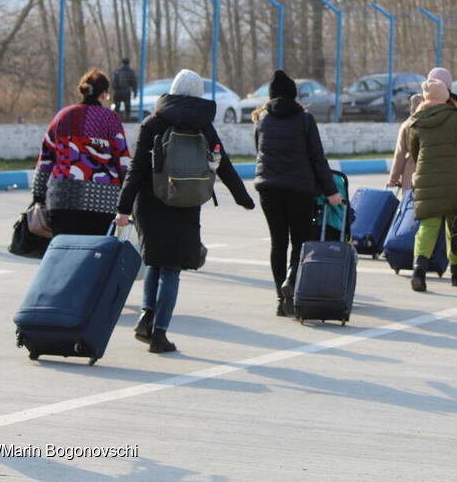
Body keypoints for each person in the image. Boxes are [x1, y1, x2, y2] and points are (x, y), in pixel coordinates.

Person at [116, 69, 254, 353]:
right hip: (186, 202)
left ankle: (146, 317)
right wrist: (243, 197)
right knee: (171, 268)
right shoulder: (204, 125)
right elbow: (222, 163)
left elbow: (136, 168)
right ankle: (160, 333)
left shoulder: (152, 123)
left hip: (151, 201)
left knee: (154, 260)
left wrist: (123, 208)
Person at [253, 69, 341, 316]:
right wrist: (332, 191)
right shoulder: (304, 119)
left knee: (277, 242)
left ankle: (282, 300)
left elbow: (258, 150)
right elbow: (317, 158)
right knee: (300, 241)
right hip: (300, 190)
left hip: (268, 189)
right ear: (294, 95)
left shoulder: (263, 119)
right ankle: (291, 280)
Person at [32, 69, 131, 236]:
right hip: (103, 201)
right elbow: (123, 161)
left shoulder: (62, 116)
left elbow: (45, 161)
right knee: (93, 256)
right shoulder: (110, 119)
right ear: (104, 94)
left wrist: (38, 197)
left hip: (62, 199)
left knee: (64, 254)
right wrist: (127, 199)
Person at [408, 75, 457, 291]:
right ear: (446, 96)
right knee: (455, 225)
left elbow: (414, 153)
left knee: (428, 226)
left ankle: (418, 272)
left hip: (427, 179)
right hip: (456, 181)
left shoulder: (417, 120)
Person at [387, 93, 423, 191]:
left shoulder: (406, 125)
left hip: (411, 168)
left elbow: (400, 154)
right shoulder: (433, 122)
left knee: (409, 201)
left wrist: (393, 179)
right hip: (428, 166)